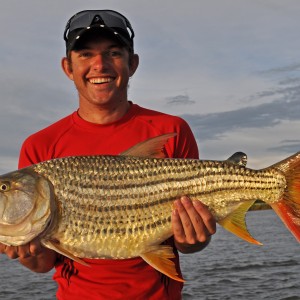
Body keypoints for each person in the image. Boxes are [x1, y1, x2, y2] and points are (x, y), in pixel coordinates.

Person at [0, 10, 216, 299]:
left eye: (113, 53)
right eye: (86, 54)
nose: (99, 65)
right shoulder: (39, 146)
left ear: (133, 63)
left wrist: (193, 240)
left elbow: (185, 244)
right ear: (68, 67)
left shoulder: (171, 129)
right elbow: (44, 263)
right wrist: (27, 253)